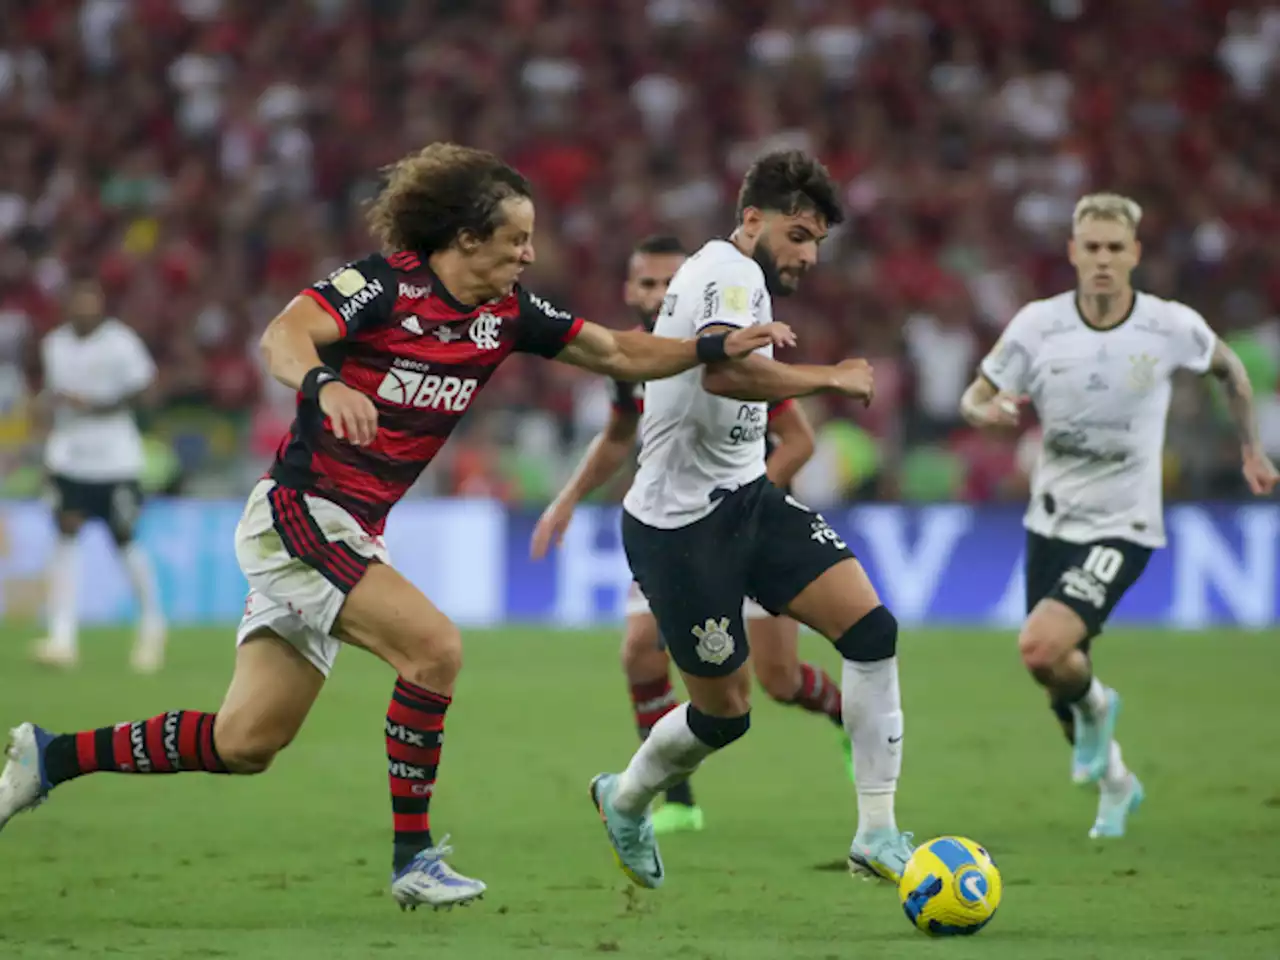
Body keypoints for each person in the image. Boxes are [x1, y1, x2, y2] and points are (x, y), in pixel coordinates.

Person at [0, 143, 793, 910]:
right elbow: (284, 334)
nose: (527, 256)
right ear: (464, 238)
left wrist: (713, 345)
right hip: (299, 516)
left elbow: (620, 350)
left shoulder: (509, 314)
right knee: (435, 649)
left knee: (246, 743)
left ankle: (52, 756)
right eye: (515, 239)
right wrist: (320, 384)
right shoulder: (380, 287)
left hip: (346, 532)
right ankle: (413, 859)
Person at [585, 150, 916, 891]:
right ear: (752, 220)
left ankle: (877, 832)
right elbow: (723, 371)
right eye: (798, 235)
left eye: (818, 243)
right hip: (679, 529)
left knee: (871, 631)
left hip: (747, 499)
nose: (807, 255)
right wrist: (829, 377)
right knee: (725, 714)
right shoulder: (730, 273)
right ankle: (626, 797)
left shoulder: (746, 281)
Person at [959, 192, 1278, 839]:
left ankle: (1099, 719)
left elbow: (1232, 373)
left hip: (1124, 523)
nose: (1103, 260)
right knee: (1053, 672)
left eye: (1115, 248)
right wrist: (982, 412)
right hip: (1050, 520)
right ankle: (1117, 778)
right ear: (1073, 253)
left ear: (1133, 253)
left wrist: (1250, 447)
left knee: (1039, 643)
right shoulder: (1037, 325)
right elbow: (975, 393)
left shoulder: (1168, 326)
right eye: (1092, 248)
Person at [532, 236, 847, 837]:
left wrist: (745, 510)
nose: (654, 294)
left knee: (778, 682)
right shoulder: (631, 359)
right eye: (644, 284)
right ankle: (677, 798)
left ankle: (845, 718)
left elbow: (800, 441)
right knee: (638, 651)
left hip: (752, 520)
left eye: (665, 284)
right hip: (675, 527)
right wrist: (569, 497)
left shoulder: (728, 352)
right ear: (629, 291)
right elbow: (621, 436)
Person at [29, 275, 166, 673]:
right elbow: (53, 396)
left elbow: (146, 391)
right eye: (78, 300)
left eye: (91, 300)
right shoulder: (54, 344)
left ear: (101, 304)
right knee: (65, 537)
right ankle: (62, 637)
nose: (84, 308)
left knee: (124, 541)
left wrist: (96, 405)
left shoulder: (121, 343)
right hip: (69, 457)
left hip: (115, 459)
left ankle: (152, 626)